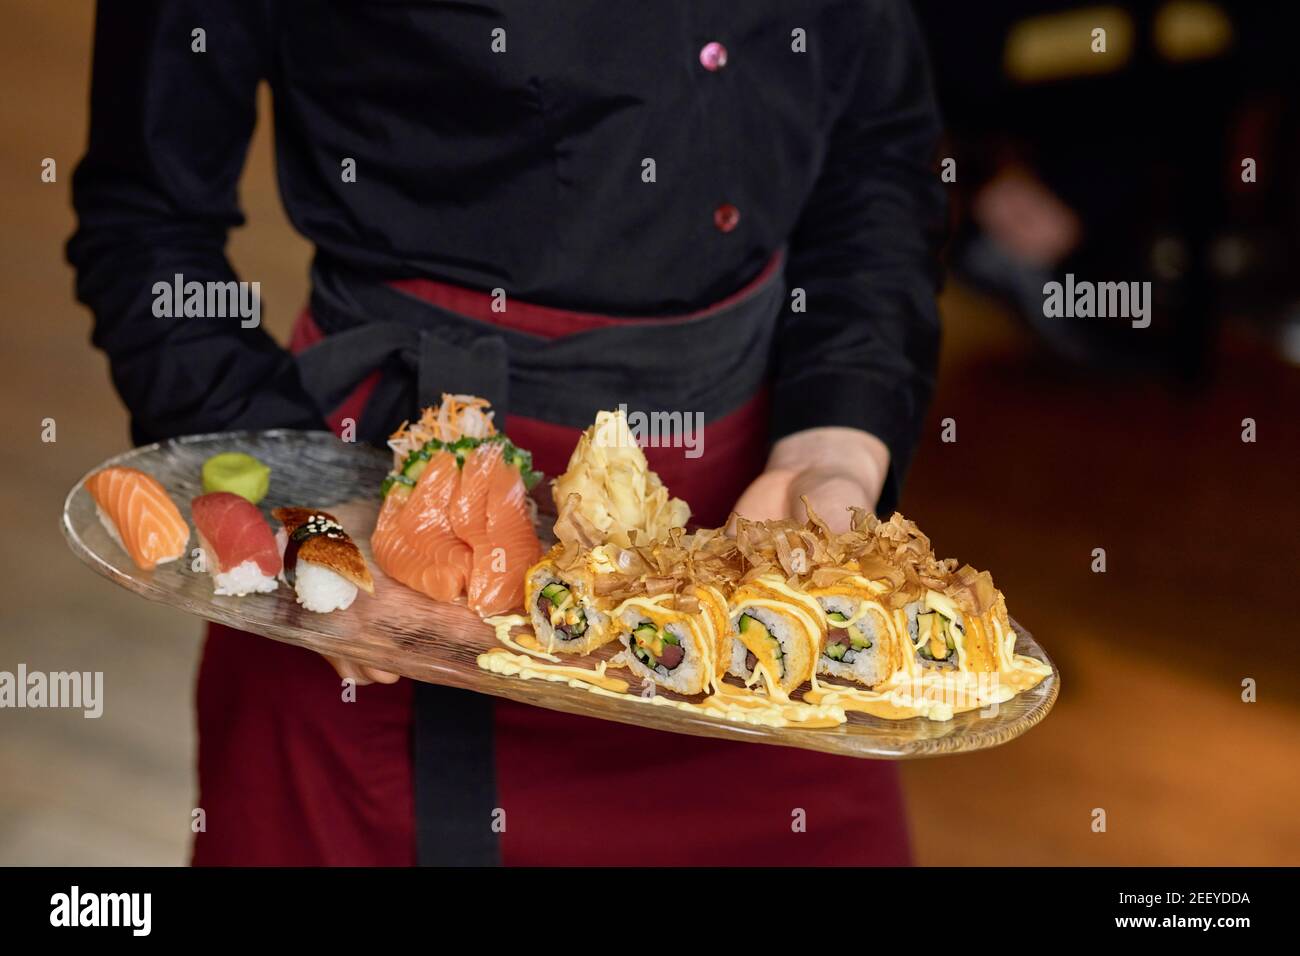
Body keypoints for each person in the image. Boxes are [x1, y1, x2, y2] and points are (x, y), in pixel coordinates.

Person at [68, 1, 944, 866]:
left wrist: (834, 449)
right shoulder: (338, 529)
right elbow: (146, 223)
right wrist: (314, 513)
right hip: (377, 540)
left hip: (753, 582)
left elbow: (878, 159)